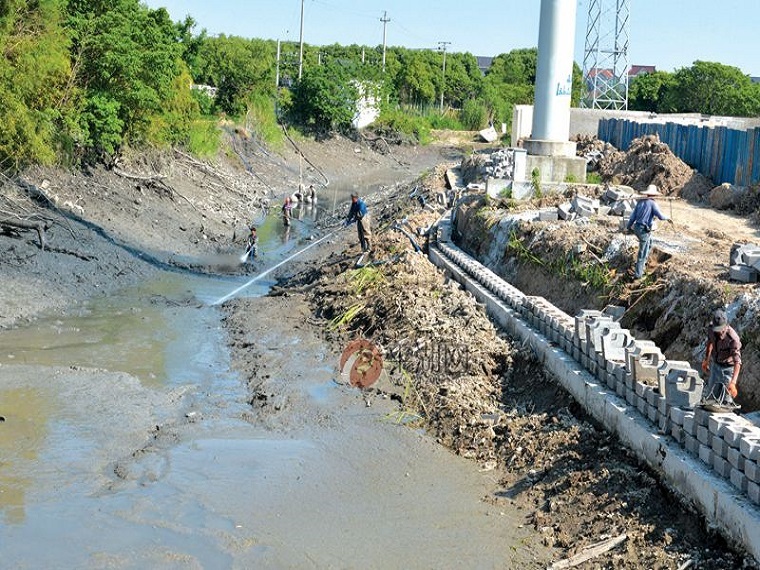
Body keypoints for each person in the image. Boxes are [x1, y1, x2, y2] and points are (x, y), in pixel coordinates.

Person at [625, 184, 673, 279]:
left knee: (650, 241)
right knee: (642, 252)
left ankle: (643, 264)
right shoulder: (652, 203)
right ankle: (638, 274)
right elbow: (660, 216)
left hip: (637, 228)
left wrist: (628, 227)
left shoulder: (640, 202)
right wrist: (668, 218)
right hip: (643, 230)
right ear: (654, 195)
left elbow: (632, 217)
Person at [701, 309, 741, 403]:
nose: (719, 332)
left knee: (726, 401)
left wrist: (733, 382)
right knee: (710, 397)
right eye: (717, 329)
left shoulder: (733, 339)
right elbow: (710, 343)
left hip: (728, 369)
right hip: (715, 365)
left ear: (726, 325)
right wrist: (706, 359)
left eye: (721, 330)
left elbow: (737, 362)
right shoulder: (711, 329)